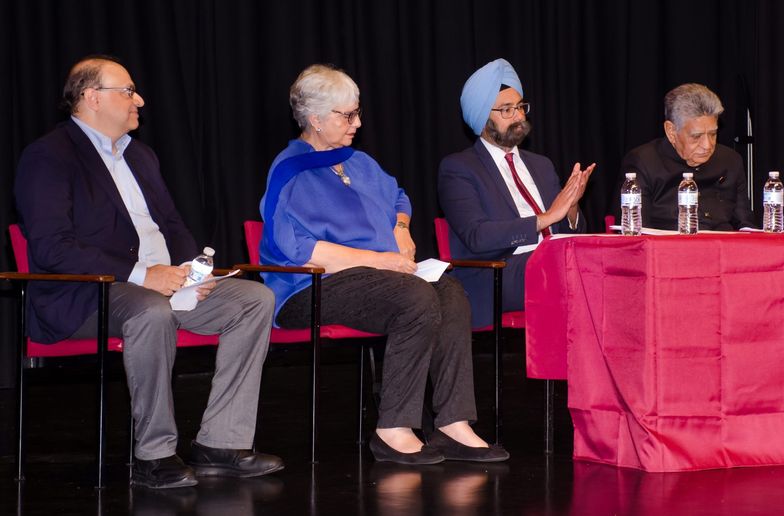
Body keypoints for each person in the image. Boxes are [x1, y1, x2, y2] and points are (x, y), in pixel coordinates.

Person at [13, 56, 283, 489]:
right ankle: (153, 454)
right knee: (150, 311)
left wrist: (195, 271)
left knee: (254, 300)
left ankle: (221, 443)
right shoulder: (48, 156)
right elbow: (52, 247)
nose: (138, 99)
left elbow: (171, 225)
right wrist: (143, 274)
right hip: (90, 294)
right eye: (127, 91)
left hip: (164, 283)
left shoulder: (141, 155)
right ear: (91, 97)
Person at [260, 64, 508, 465]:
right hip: (309, 287)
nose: (357, 123)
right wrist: (378, 261)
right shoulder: (289, 171)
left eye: (357, 112)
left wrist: (401, 227)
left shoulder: (359, 163)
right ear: (315, 119)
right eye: (347, 115)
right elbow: (295, 248)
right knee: (414, 296)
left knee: (448, 288)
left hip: (380, 278)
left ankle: (452, 423)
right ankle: (392, 428)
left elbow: (399, 197)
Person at [438, 58, 594, 328]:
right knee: (570, 267)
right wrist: (544, 219)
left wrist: (570, 209)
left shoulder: (541, 165)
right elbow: (478, 237)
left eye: (521, 107)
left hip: (552, 264)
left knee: (601, 259)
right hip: (498, 273)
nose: (520, 116)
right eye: (507, 110)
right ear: (483, 118)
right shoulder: (458, 168)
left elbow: (570, 235)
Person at [620, 83, 755, 231]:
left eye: (713, 134)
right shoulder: (644, 162)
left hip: (724, 249)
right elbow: (637, 232)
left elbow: (746, 225)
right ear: (671, 131)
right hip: (668, 250)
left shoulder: (730, 161)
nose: (707, 145)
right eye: (696, 136)